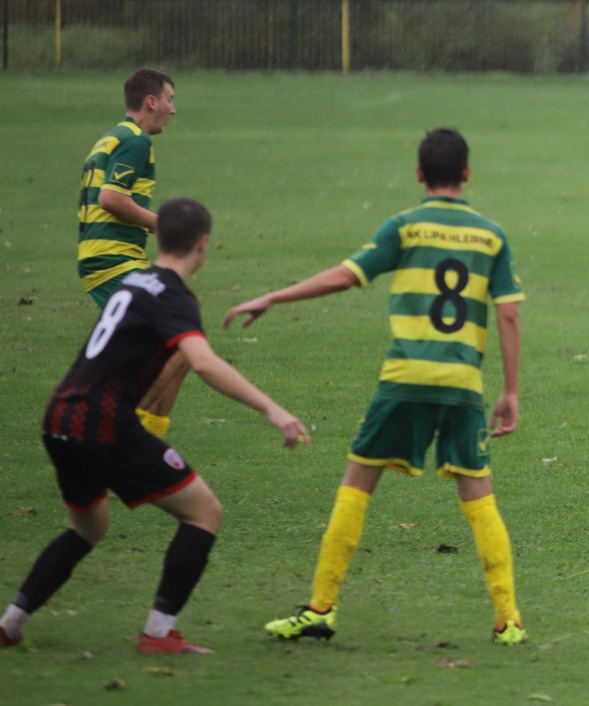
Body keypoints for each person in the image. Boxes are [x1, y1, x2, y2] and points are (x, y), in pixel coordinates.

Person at [223, 128, 528, 646]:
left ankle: (321, 608)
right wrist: (511, 390)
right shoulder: (491, 236)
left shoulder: (404, 228)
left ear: (419, 175)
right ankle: (509, 620)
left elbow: (344, 276)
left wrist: (273, 296)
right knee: (479, 495)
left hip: (404, 379)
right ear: (468, 174)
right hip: (462, 385)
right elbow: (509, 317)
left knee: (356, 484)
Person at [0, 198, 311, 654]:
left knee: (88, 527)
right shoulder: (172, 295)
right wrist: (273, 409)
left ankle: (10, 625)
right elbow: (201, 362)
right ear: (203, 244)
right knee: (205, 512)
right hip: (101, 421)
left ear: (158, 235)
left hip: (61, 415)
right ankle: (159, 634)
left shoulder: (132, 280)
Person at [78, 67, 188, 442]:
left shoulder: (111, 138)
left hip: (108, 258)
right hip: (112, 260)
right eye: (170, 100)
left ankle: (143, 432)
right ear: (151, 101)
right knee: (182, 341)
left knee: (179, 334)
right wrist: (161, 225)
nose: (173, 110)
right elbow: (111, 198)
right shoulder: (136, 140)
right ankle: (130, 433)